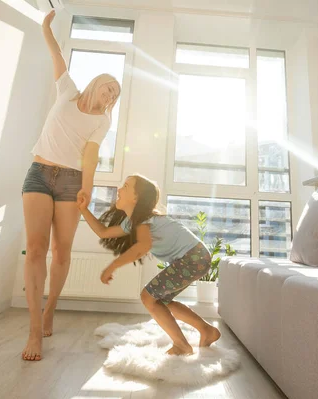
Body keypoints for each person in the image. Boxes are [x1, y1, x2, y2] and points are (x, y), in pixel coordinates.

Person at [21, 10, 121, 361]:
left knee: (60, 251)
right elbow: (57, 56)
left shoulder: (103, 121)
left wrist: (88, 188)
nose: (111, 95)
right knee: (35, 249)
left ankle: (51, 307)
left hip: (70, 181)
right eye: (109, 87)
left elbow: (90, 156)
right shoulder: (67, 91)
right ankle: (35, 330)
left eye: (115, 95)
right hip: (38, 172)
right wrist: (45, 27)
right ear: (97, 83)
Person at [78, 174, 221, 356]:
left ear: (136, 197)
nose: (119, 190)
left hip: (193, 258)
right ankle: (207, 331)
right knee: (161, 301)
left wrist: (112, 267)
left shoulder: (144, 219)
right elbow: (104, 232)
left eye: (126, 186)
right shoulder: (133, 221)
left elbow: (142, 246)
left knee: (148, 297)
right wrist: (83, 209)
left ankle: (182, 345)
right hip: (196, 257)